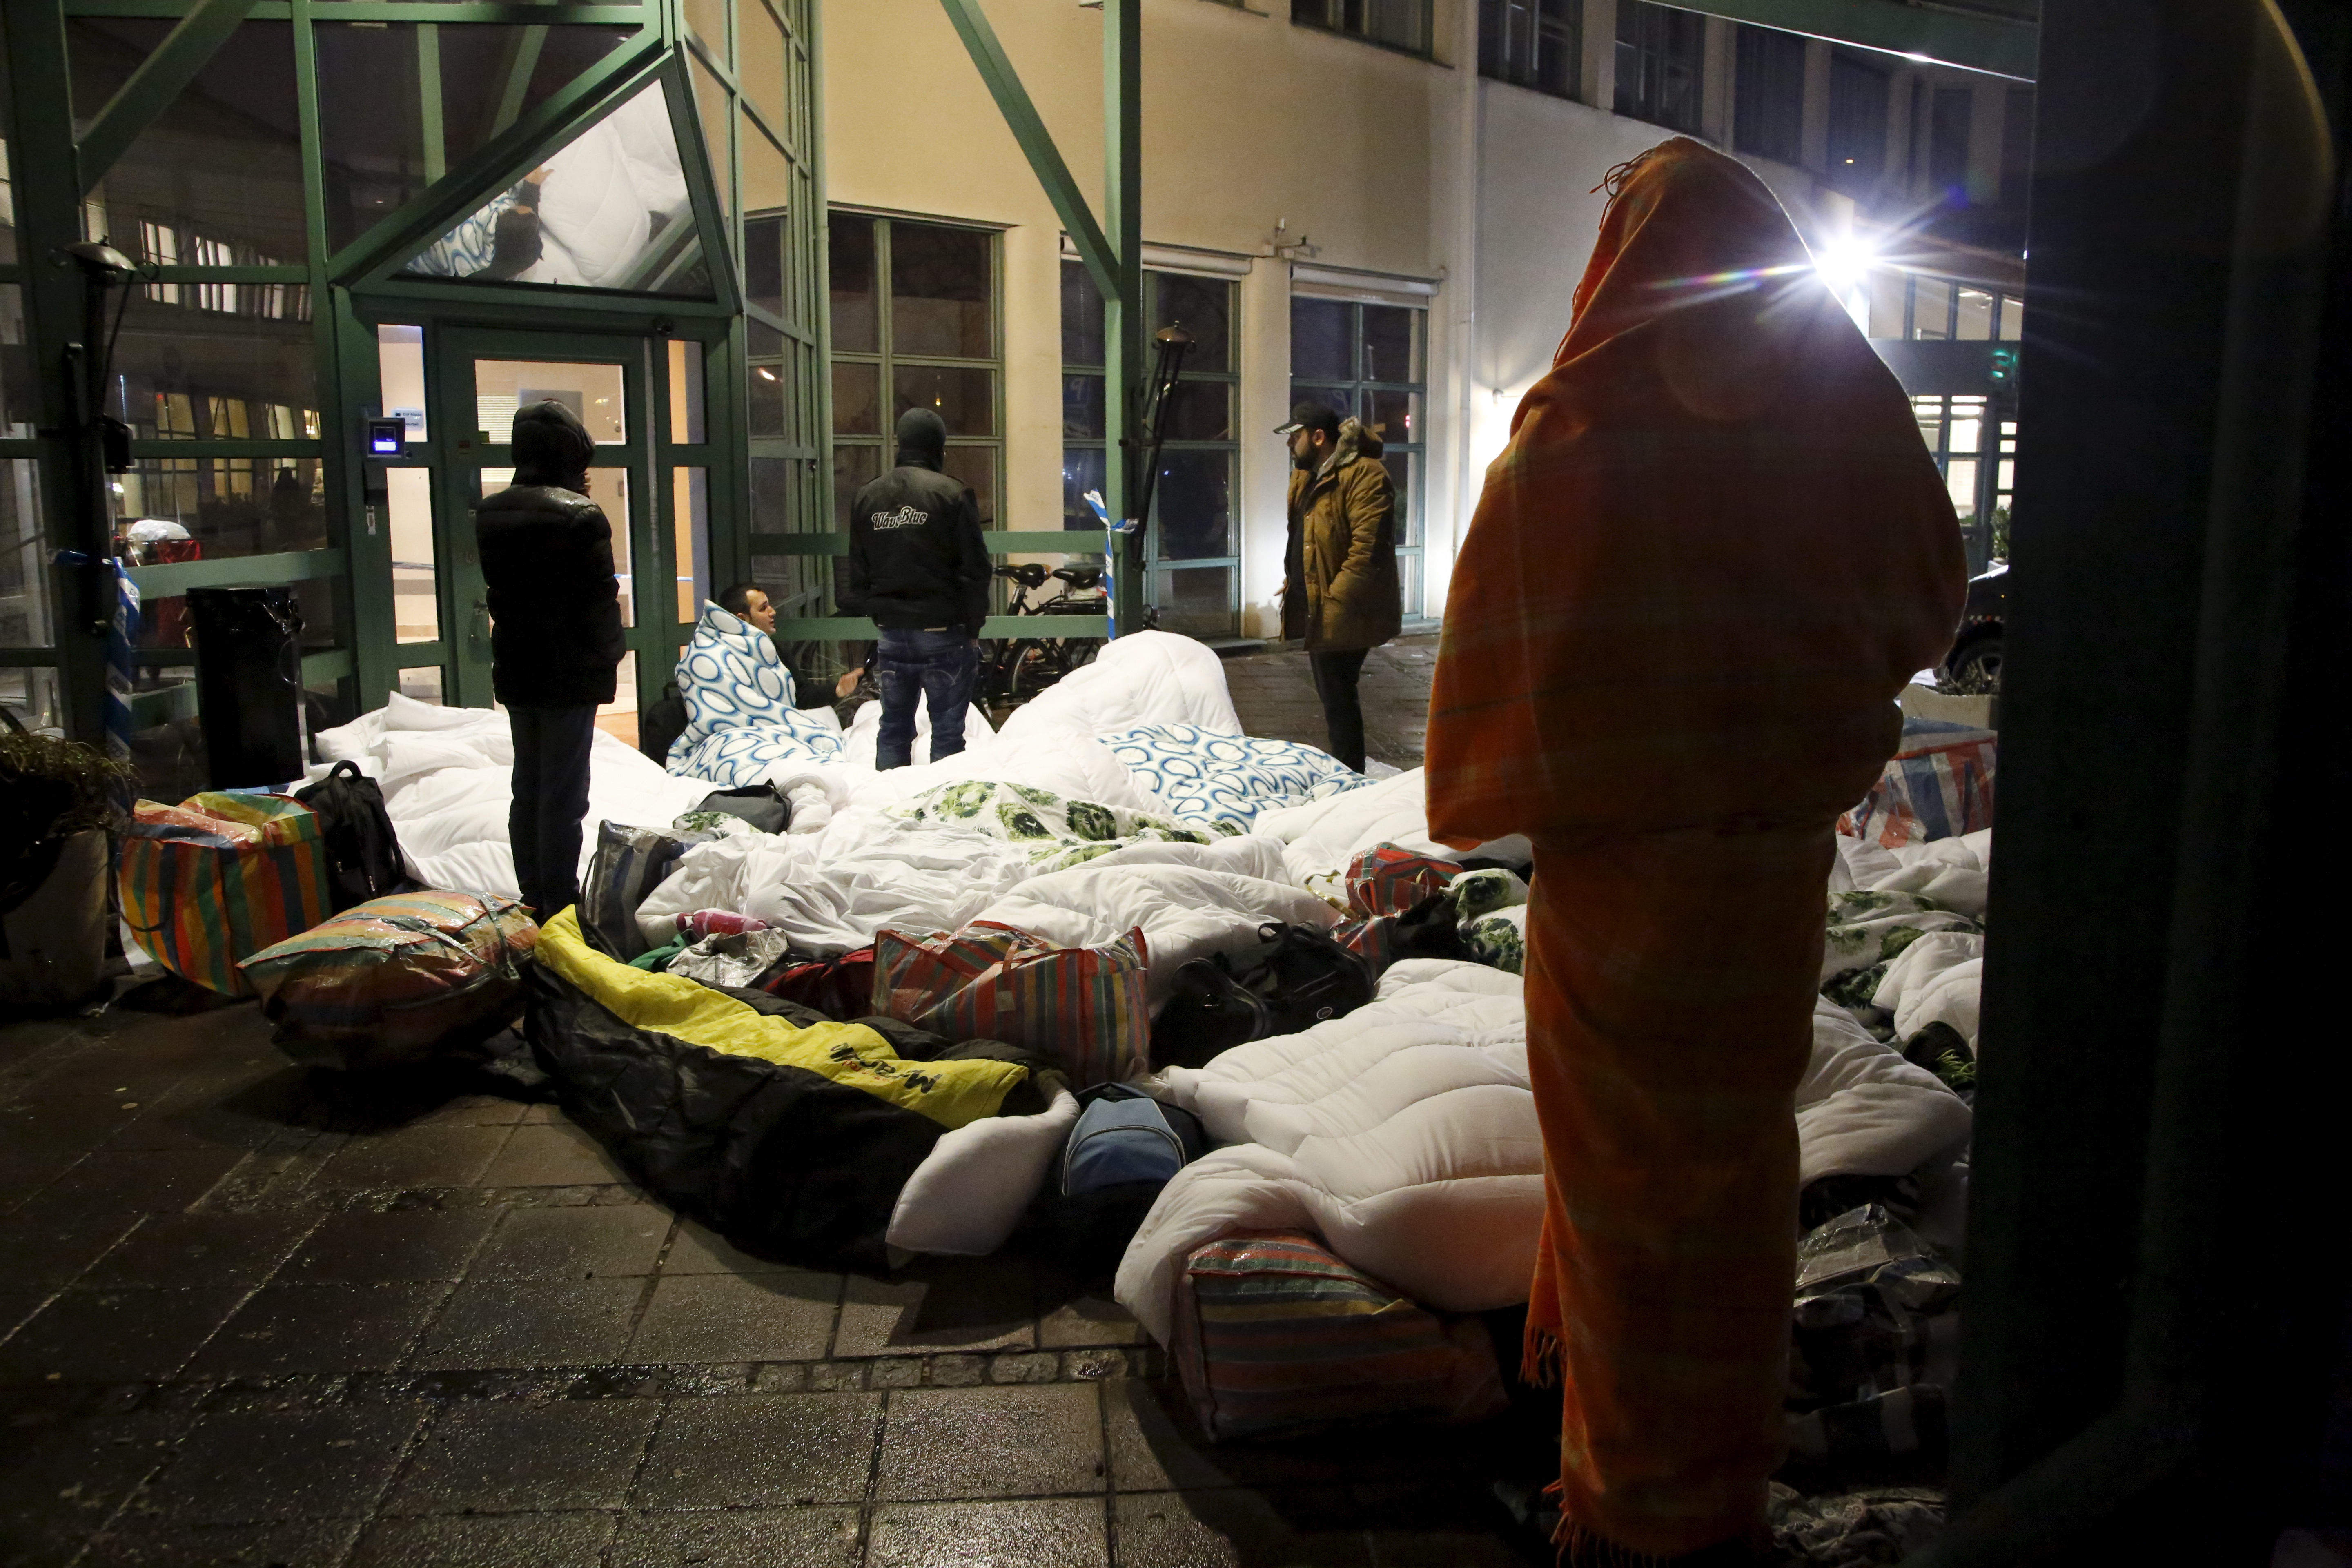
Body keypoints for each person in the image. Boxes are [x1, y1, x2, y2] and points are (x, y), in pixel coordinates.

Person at [1423, 139, 1964, 1564]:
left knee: (1624, 1195)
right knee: (1727, 1184)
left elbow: (1499, 662)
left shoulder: (1580, 428)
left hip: (1619, 892)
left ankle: (1631, 1513)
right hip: (1772, 873)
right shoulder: (1852, 411)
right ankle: (1701, 1485)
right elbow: (1927, 594)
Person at [473, 399, 624, 920]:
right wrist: (610, 659)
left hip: (518, 666)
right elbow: (599, 604)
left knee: (530, 784)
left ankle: (533, 889)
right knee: (565, 791)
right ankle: (559, 901)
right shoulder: (581, 516)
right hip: (571, 671)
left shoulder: (491, 514)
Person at [840, 408, 989, 769]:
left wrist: (881, 611)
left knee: (893, 727)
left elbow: (858, 573)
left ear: (900, 443)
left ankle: (889, 810)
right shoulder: (952, 494)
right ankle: (940, 811)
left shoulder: (868, 496)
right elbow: (975, 569)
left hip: (891, 633)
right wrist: (972, 629)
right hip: (944, 631)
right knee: (948, 733)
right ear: (939, 448)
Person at [1276, 399, 1400, 773]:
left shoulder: (1366, 475)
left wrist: (1333, 601)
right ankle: (1346, 773)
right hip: (1320, 601)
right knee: (1335, 695)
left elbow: (1367, 551)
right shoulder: (1307, 474)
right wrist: (1295, 578)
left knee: (1338, 696)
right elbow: (1305, 532)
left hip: (1344, 608)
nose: (1289, 445)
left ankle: (1349, 777)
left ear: (1318, 438)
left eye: (1294, 436)